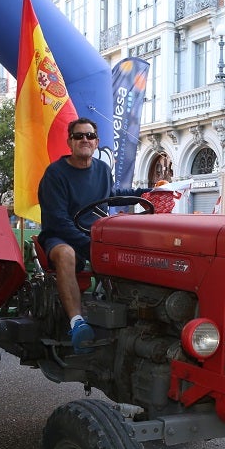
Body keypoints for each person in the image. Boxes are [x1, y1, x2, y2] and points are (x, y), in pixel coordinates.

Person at [37, 117, 147, 353]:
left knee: (133, 245)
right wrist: (91, 247)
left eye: (89, 136)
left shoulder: (102, 170)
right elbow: (58, 221)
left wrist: (146, 192)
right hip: (61, 237)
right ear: (70, 142)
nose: (84, 140)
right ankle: (77, 324)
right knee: (66, 253)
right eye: (78, 136)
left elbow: (113, 195)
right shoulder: (55, 174)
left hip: (94, 236)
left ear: (96, 142)